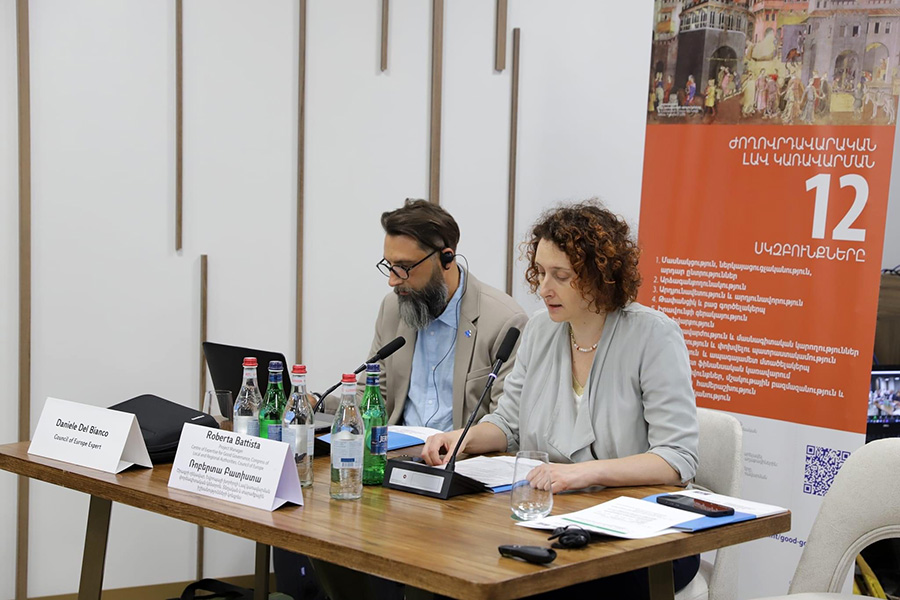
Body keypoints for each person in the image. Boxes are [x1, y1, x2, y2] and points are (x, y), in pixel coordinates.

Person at [422, 201, 700, 599]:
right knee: (456, 558)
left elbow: (676, 458)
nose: (543, 288)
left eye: (561, 276)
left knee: (542, 585)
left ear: (601, 275)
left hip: (644, 535)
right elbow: (508, 425)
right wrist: (461, 440)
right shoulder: (540, 329)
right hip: (556, 518)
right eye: (540, 272)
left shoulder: (653, 336)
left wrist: (582, 474)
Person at [303, 199, 528, 600]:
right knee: (314, 526)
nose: (394, 281)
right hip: (392, 466)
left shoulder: (503, 320)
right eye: (389, 266)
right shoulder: (395, 308)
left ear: (446, 258)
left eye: (404, 267)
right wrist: (317, 403)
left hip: (456, 478)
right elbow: (376, 392)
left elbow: (507, 424)